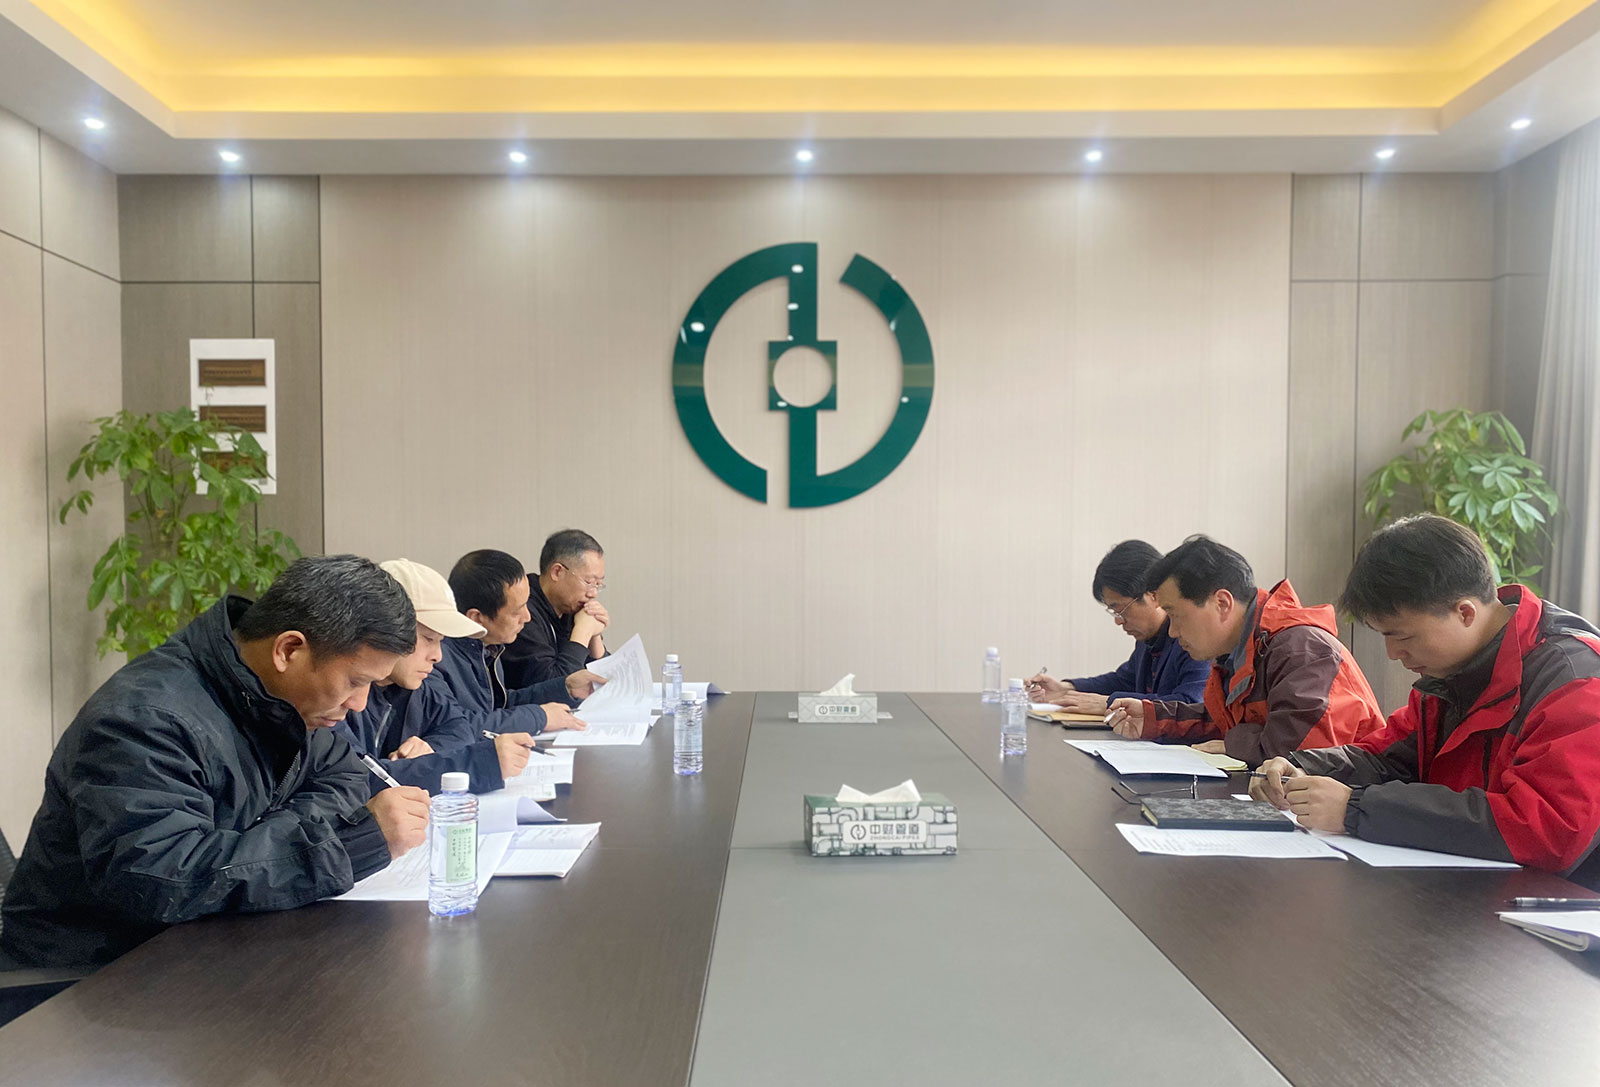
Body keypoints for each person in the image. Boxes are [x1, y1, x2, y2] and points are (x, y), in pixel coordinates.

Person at [1, 556, 430, 969]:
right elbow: (158, 882)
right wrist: (346, 845)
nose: (359, 704)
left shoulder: (277, 699)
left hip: (206, 953)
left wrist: (264, 844)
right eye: (356, 681)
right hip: (92, 978)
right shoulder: (145, 719)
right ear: (289, 650)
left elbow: (343, 775)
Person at [1250, 515, 1600, 885]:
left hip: (1556, 903)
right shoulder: (1452, 671)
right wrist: (1301, 767)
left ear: (1465, 613)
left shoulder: (1577, 681)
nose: (1393, 654)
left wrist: (1355, 809)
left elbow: (1548, 829)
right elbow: (1388, 757)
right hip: (1464, 884)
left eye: (1403, 637)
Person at [1105, 535, 1384, 766]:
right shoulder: (1238, 651)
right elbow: (1223, 723)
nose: (1173, 632)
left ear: (1222, 603)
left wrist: (1231, 744)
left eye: (1176, 616)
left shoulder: (1303, 650)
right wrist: (1152, 717)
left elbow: (1294, 757)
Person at [337, 559, 594, 795]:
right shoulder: (338, 699)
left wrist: (432, 747)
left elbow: (459, 728)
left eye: (441, 641)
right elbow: (358, 780)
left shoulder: (415, 687)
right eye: (428, 639)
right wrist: (481, 763)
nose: (437, 656)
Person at [1026, 540, 1209, 715]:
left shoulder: (1191, 637)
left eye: (1121, 610)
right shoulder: (1148, 639)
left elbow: (1191, 704)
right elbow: (1123, 681)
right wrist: (1066, 688)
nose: (1118, 621)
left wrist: (1110, 703)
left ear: (1153, 596)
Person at [439, 549, 593, 736]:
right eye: (516, 611)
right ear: (477, 618)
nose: (527, 617)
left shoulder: (487, 648)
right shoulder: (437, 658)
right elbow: (459, 725)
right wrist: (539, 717)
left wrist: (566, 688)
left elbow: (499, 704)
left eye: (527, 604)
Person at [501, 529, 609, 688]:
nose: (593, 593)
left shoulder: (572, 607)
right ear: (557, 572)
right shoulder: (523, 612)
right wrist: (583, 631)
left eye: (598, 584)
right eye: (589, 582)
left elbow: (606, 683)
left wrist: (594, 637)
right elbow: (555, 687)